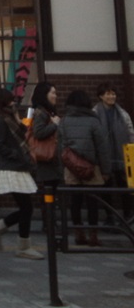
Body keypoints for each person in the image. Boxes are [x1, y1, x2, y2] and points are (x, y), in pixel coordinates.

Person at [0, 88, 42, 259]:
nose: (13, 103)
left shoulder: (10, 117)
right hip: (11, 167)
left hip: (17, 166)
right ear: (2, 102)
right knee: (26, 207)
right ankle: (22, 246)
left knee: (26, 207)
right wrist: (18, 155)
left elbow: (23, 135)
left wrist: (19, 120)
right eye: (10, 100)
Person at [58, 89, 110, 246]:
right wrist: (106, 170)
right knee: (92, 203)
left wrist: (66, 166)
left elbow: (61, 146)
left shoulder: (64, 121)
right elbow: (102, 148)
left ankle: (79, 234)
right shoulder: (93, 121)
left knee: (75, 202)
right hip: (91, 168)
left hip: (71, 168)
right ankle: (93, 236)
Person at [92, 81, 134, 222]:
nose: (112, 96)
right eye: (108, 93)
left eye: (113, 93)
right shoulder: (95, 113)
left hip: (122, 156)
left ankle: (128, 214)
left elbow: (130, 133)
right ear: (101, 96)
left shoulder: (122, 113)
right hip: (104, 157)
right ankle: (110, 216)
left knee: (125, 187)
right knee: (106, 188)